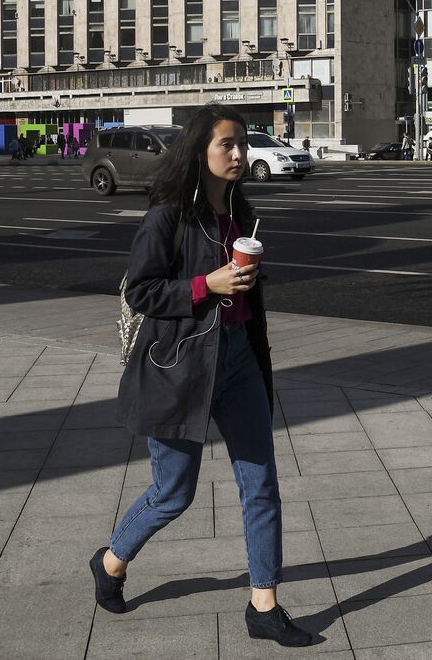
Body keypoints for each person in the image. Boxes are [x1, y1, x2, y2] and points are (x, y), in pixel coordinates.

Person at [88, 103, 312, 647]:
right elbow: (139, 290)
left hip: (236, 360)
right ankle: (112, 559)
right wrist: (203, 287)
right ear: (199, 152)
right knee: (174, 493)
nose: (238, 154)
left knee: (261, 483)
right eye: (226, 145)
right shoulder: (167, 214)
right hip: (180, 364)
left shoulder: (241, 211)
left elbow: (243, 292)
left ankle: (264, 604)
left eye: (241, 143)